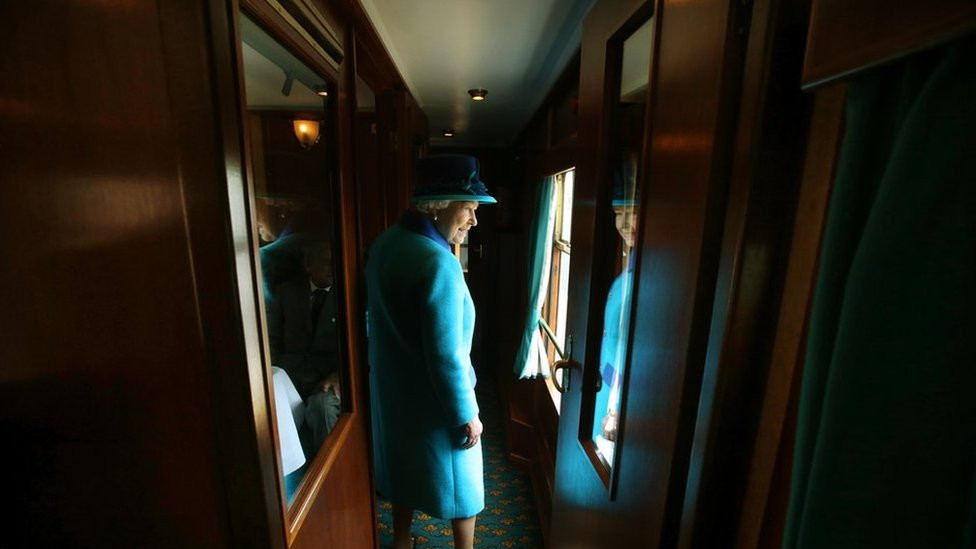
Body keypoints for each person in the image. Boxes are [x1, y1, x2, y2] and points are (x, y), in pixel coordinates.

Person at [366, 154, 497, 549]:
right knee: (465, 496)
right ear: (440, 205)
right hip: (436, 404)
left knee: (404, 479)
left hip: (394, 397)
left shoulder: (387, 243)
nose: (474, 219)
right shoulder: (439, 262)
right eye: (469, 207)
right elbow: (447, 354)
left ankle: (402, 541)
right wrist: (466, 415)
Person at [267, 242, 342, 455]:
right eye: (324, 262)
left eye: (334, 262)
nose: (331, 267)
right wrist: (272, 374)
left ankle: (331, 476)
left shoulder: (348, 292)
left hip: (326, 380)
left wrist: (340, 375)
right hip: (288, 376)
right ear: (308, 265)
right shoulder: (286, 292)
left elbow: (363, 343)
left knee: (322, 409)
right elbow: (271, 338)